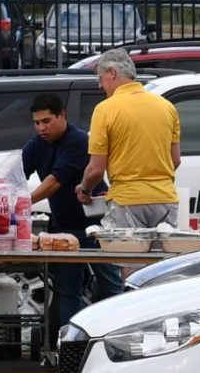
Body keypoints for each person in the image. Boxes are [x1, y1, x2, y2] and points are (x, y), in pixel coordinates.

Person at [22, 92, 118, 331]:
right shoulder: (35, 146)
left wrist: (22, 203)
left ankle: (111, 333)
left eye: (47, 121)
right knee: (67, 290)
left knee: (111, 286)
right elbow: (15, 177)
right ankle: (68, 345)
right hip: (64, 228)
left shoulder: (77, 141)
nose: (41, 128)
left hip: (97, 226)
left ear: (62, 115)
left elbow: (55, 182)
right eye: (37, 123)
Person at [78, 50, 182, 235]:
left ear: (112, 72)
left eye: (100, 78)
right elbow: (175, 160)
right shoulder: (167, 107)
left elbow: (95, 170)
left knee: (130, 260)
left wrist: (85, 190)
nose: (101, 86)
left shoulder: (105, 110)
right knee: (164, 261)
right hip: (165, 199)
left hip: (127, 200)